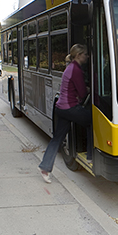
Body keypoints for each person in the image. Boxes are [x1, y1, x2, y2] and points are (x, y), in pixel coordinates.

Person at [38, 44, 92, 183]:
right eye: (85, 54)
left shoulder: (69, 67)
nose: (87, 56)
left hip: (61, 108)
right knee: (93, 121)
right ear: (79, 55)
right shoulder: (76, 70)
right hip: (70, 108)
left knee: (57, 139)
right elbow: (81, 92)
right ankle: (92, 156)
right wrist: (88, 88)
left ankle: (45, 167)